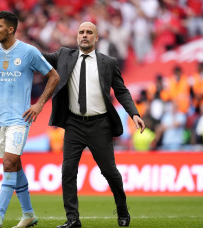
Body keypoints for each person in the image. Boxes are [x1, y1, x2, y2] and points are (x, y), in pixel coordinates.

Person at [43, 22, 145, 228]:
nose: (85, 35)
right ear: (77, 36)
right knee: (68, 171)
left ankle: (122, 209)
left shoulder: (108, 62)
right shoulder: (64, 55)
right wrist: (17, 45)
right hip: (74, 124)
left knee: (110, 172)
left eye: (89, 32)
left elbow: (121, 90)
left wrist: (134, 113)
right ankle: (73, 219)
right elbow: (39, 57)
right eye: (81, 32)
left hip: (100, 125)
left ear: (96, 38)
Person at [0, 11, 60, 228]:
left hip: (20, 119)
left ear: (11, 29)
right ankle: (29, 214)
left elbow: (54, 76)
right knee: (14, 165)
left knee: (9, 163)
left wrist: (39, 104)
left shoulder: (28, 52)